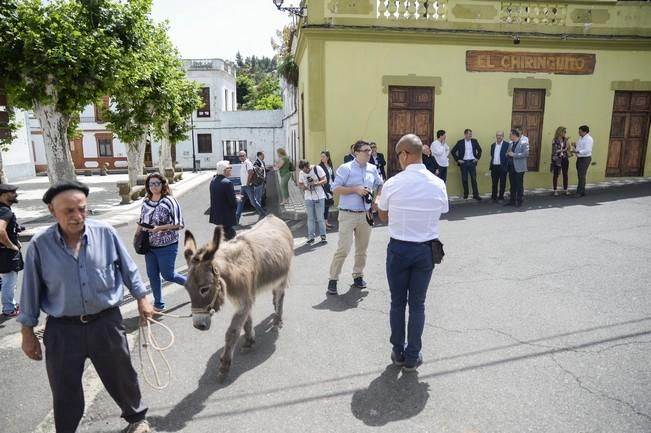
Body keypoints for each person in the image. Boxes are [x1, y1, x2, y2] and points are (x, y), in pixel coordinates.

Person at [18, 180, 153, 433]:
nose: (78, 216)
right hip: (63, 330)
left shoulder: (105, 233)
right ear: (52, 210)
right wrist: (27, 334)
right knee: (64, 387)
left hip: (106, 323)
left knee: (122, 376)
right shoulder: (39, 245)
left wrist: (142, 298)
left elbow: (129, 270)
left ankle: (137, 420)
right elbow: (30, 293)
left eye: (82, 209)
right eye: (69, 211)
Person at [377, 134, 449, 372]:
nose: (398, 160)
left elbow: (383, 216)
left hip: (398, 249)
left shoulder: (392, 183)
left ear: (406, 154)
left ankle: (398, 351)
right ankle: (412, 355)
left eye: (399, 155)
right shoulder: (438, 183)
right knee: (417, 304)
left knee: (397, 302)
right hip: (425, 250)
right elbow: (442, 210)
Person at [327, 140, 384, 295]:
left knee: (362, 249)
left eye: (370, 150)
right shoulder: (346, 168)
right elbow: (335, 188)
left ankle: (358, 275)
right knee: (343, 248)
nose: (369, 153)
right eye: (365, 150)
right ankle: (333, 279)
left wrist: (377, 199)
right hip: (347, 214)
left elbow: (380, 184)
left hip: (365, 214)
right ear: (356, 153)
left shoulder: (372, 168)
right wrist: (355, 189)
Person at [138, 173, 186, 312]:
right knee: (152, 275)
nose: (154, 186)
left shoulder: (170, 201)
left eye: (157, 183)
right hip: (149, 245)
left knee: (168, 275)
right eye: (151, 184)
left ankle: (191, 285)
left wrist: (160, 228)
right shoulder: (146, 201)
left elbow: (179, 224)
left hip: (167, 246)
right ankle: (159, 304)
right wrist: (137, 235)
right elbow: (142, 220)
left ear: (163, 184)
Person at [0, 183, 21, 317]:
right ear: (3, 195)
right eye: (12, 192)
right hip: (5, 253)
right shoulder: (4, 211)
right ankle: (9, 308)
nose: (15, 194)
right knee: (9, 280)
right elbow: (0, 231)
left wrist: (15, 239)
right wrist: (11, 246)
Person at [298, 159, 328, 244]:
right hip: (308, 197)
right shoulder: (301, 172)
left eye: (305, 170)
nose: (304, 172)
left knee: (320, 218)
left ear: (308, 166)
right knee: (310, 218)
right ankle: (311, 237)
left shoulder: (317, 168)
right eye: (303, 170)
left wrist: (315, 184)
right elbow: (300, 184)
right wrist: (305, 187)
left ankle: (323, 236)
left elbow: (325, 180)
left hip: (319, 197)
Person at [210, 161, 239, 240]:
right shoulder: (227, 183)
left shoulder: (213, 181)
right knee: (231, 238)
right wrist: (236, 199)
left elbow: (219, 197)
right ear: (224, 170)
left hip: (218, 216)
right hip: (226, 217)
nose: (231, 169)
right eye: (229, 168)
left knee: (223, 237)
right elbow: (232, 202)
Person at [235, 150, 267, 223]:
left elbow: (251, 173)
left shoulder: (247, 163)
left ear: (245, 156)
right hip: (243, 186)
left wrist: (248, 183)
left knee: (253, 202)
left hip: (247, 186)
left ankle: (263, 214)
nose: (241, 157)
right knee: (240, 202)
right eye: (240, 156)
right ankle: (236, 220)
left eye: (243, 155)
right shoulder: (243, 163)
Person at [451, 128, 482, 200]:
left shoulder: (474, 141)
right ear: (465, 134)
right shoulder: (460, 142)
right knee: (464, 179)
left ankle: (476, 194)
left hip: (472, 162)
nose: (470, 135)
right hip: (464, 163)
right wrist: (458, 159)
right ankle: (466, 193)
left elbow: (480, 150)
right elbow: (453, 151)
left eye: (471, 134)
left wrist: (477, 158)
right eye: (469, 134)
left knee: (473, 179)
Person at [505, 129, 529, 207]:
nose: (509, 136)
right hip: (511, 167)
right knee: (512, 185)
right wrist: (507, 154)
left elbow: (526, 154)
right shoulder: (511, 143)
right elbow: (508, 152)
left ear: (514, 135)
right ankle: (512, 201)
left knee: (519, 185)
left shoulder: (524, 143)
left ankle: (519, 201)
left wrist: (514, 155)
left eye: (510, 135)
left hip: (519, 168)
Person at [489, 130, 509, 202]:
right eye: (498, 135)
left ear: (503, 136)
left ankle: (501, 196)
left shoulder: (507, 145)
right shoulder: (493, 145)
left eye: (500, 135)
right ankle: (494, 197)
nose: (499, 137)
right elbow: (492, 155)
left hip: (502, 167)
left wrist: (506, 167)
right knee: (494, 183)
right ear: (496, 136)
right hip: (494, 166)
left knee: (502, 183)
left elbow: (508, 157)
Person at [551, 126, 571, 196]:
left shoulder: (565, 139)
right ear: (560, 132)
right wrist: (564, 149)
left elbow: (568, 148)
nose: (565, 133)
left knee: (565, 174)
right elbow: (555, 151)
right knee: (556, 175)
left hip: (564, 158)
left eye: (565, 132)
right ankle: (555, 190)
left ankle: (565, 189)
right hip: (557, 159)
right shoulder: (555, 140)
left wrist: (567, 143)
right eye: (564, 131)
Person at [575, 125, 593, 197]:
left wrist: (578, 152)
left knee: (581, 175)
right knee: (580, 175)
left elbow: (588, 150)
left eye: (580, 131)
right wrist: (575, 146)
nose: (579, 133)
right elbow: (580, 147)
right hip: (580, 158)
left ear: (585, 132)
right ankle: (582, 191)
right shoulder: (580, 138)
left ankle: (579, 192)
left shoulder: (589, 139)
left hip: (585, 158)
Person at [319, 151, 335, 229]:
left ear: (328, 157)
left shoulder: (330, 166)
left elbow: (332, 176)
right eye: (321, 156)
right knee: (324, 206)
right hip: (324, 188)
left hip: (330, 188)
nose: (322, 158)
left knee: (327, 206)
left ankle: (326, 222)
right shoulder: (319, 167)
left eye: (323, 156)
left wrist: (334, 185)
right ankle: (323, 225)